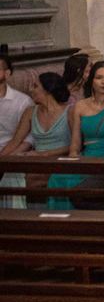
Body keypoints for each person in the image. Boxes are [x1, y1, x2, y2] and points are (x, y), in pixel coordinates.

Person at [47, 61, 104, 209]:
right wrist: (75, 162)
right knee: (58, 178)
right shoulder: (80, 106)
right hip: (86, 157)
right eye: (99, 77)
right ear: (91, 80)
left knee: (79, 186)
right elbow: (75, 145)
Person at [4, 72, 71, 208]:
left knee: (30, 180)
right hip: (36, 162)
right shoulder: (30, 112)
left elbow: (74, 146)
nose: (31, 90)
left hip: (60, 160)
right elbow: (15, 141)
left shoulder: (69, 111)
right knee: (9, 177)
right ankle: (14, 222)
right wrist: (3, 158)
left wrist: (44, 154)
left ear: (48, 89)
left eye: (35, 86)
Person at [0, 54, 35, 208]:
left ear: (7, 73)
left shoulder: (22, 101)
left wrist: (11, 155)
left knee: (12, 175)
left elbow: (30, 136)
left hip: (12, 153)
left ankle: (14, 222)